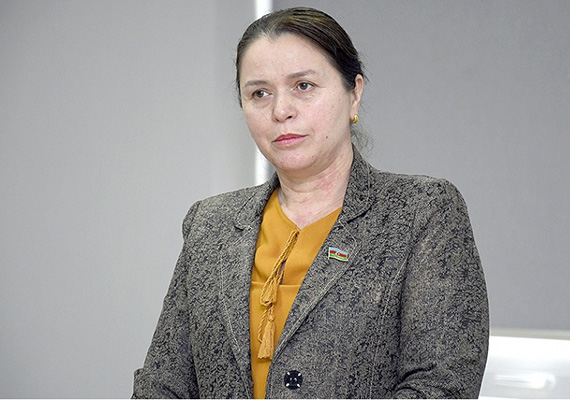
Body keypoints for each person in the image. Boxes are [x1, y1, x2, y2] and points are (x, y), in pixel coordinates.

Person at [133, 6, 489, 399]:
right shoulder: (209, 224)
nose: (281, 111)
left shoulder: (422, 211)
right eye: (259, 93)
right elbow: (161, 385)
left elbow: (442, 386)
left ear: (354, 94)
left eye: (303, 86)